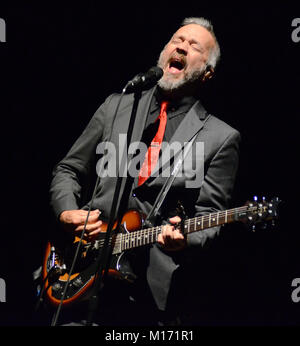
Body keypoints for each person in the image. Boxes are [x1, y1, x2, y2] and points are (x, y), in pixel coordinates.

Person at [48, 17, 241, 326]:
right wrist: (67, 212)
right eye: (176, 39)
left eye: (194, 46)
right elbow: (68, 169)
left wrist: (185, 238)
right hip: (82, 271)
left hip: (151, 300)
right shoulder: (116, 106)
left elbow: (211, 216)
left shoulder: (220, 137)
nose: (181, 46)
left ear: (207, 73)